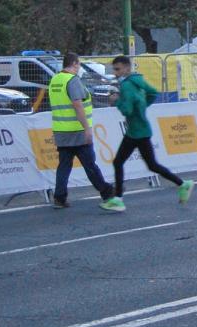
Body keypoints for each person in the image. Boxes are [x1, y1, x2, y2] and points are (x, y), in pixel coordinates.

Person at [109, 56, 194, 205]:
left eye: (118, 69)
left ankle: (118, 199)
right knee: (152, 165)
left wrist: (117, 101)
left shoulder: (127, 86)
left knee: (118, 162)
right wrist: (142, 107)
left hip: (135, 132)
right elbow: (153, 93)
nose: (115, 72)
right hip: (141, 130)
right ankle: (182, 184)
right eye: (114, 69)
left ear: (127, 68)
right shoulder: (137, 81)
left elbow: (127, 110)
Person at [48, 52, 122, 211]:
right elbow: (77, 105)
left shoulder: (55, 80)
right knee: (90, 165)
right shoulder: (72, 81)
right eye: (79, 64)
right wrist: (87, 129)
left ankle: (59, 197)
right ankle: (107, 192)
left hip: (61, 131)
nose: (79, 67)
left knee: (64, 166)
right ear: (74, 63)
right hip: (77, 131)